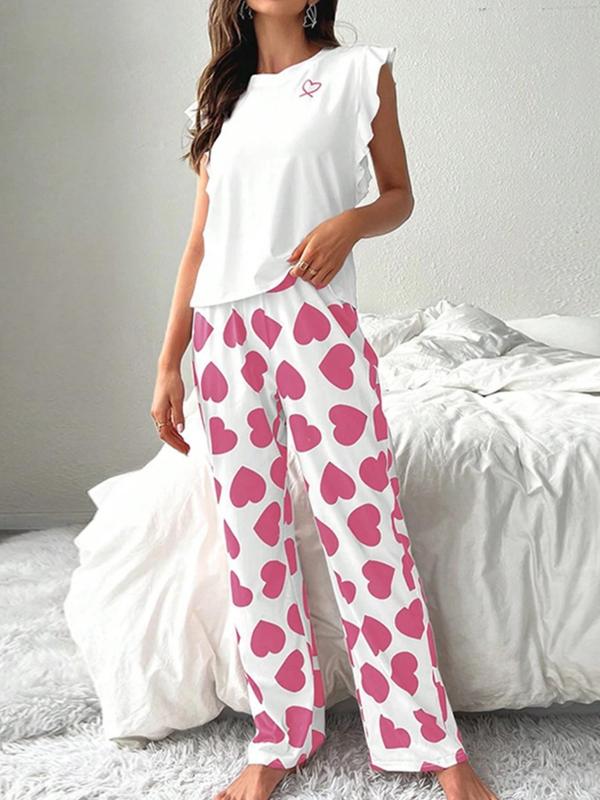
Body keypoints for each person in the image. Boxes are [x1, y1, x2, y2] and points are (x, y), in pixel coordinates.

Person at [151, 2, 499, 799]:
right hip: (223, 334)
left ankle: (431, 741)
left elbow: (400, 194)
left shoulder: (358, 71)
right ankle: (280, 734)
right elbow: (199, 243)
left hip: (313, 320)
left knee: (363, 523)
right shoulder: (220, 98)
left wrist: (350, 224)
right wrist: (169, 361)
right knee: (252, 540)